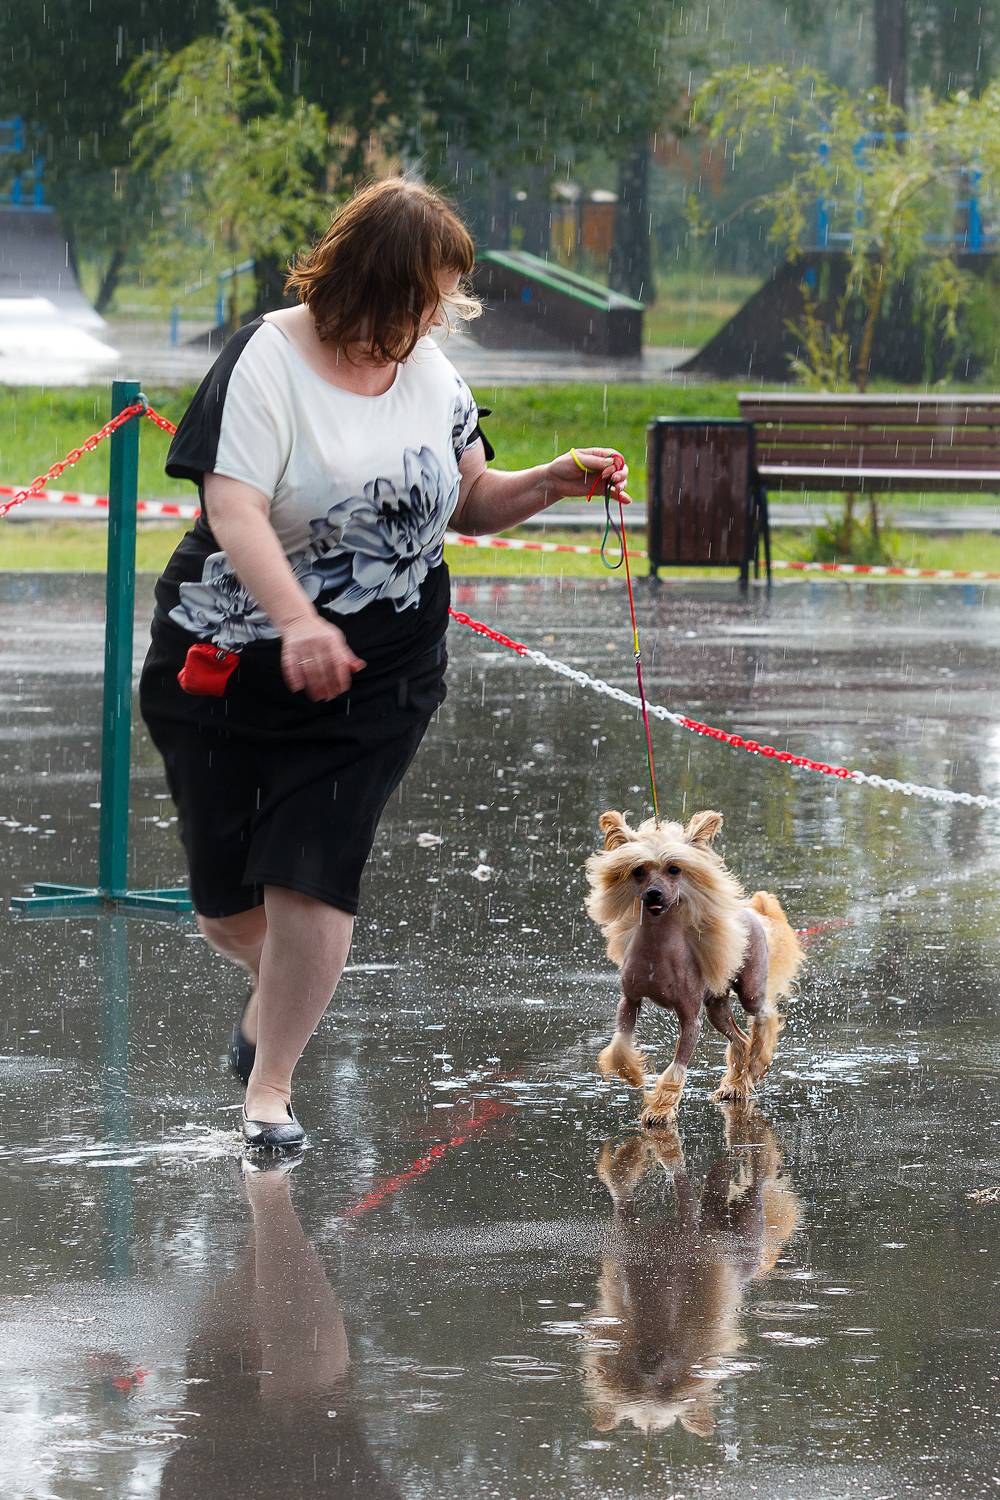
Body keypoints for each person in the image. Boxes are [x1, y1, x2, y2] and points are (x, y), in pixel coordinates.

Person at [139, 176, 630, 1151]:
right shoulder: (266, 361)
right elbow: (231, 507)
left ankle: (270, 1091)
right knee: (227, 907)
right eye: (420, 301)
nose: (431, 322)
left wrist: (551, 481)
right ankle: (276, 990)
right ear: (367, 283)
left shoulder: (431, 372)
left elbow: (470, 498)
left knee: (312, 870)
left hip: (383, 665)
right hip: (229, 655)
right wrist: (297, 622)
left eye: (439, 305)